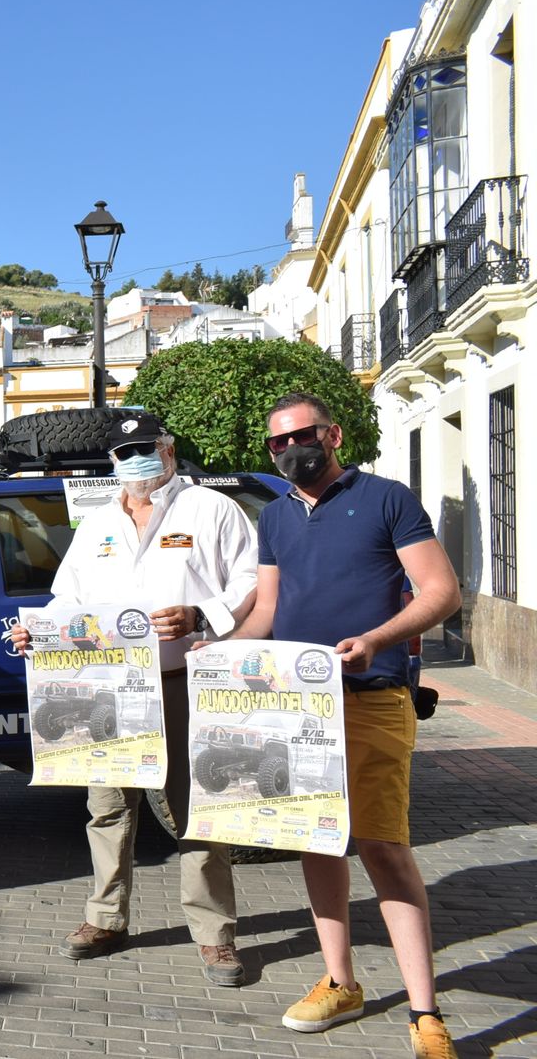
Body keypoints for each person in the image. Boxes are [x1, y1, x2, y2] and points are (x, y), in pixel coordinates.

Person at [230, 392, 461, 1059]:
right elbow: (266, 610)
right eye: (278, 443)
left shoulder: (387, 499)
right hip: (296, 706)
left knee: (383, 846)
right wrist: (219, 653)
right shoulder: (273, 518)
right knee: (318, 842)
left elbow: (440, 590)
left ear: (331, 435)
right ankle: (340, 981)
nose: (291, 449)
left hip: (371, 695)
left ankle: (425, 1012)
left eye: (303, 435)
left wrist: (375, 638)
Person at [9, 412, 258, 985]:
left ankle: (215, 936)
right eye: (125, 453)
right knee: (108, 808)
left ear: (169, 451)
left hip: (182, 683)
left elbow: (251, 582)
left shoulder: (212, 509)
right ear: (113, 462)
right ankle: (105, 918)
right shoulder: (98, 523)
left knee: (197, 809)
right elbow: (67, 599)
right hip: (108, 691)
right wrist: (37, 634)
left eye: (146, 448)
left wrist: (203, 615)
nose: (135, 461)